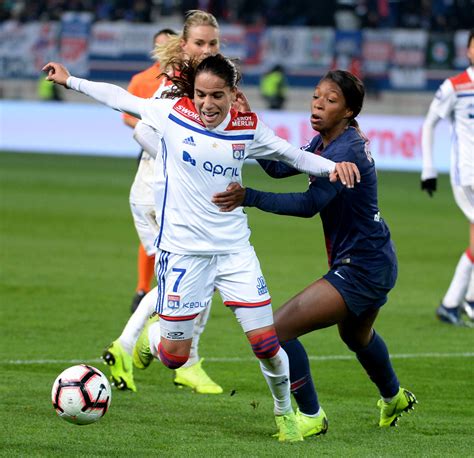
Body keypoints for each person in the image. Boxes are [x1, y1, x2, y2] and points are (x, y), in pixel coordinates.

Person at [42, 53, 359, 442]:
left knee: (266, 343)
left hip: (233, 252)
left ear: (233, 94)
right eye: (201, 95)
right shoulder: (173, 112)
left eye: (217, 96)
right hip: (183, 253)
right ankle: (153, 339)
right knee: (175, 356)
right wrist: (72, 80)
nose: (207, 104)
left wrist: (332, 167)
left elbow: (290, 155)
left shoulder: (248, 127)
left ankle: (285, 415)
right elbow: (121, 99)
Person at [212, 70, 417, 436]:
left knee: (277, 330)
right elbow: (277, 167)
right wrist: (248, 121)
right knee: (356, 337)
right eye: (317, 96)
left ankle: (311, 416)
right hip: (374, 259)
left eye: (331, 100)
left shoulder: (345, 151)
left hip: (361, 267)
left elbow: (310, 204)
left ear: (349, 111)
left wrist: (250, 197)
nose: (319, 104)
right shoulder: (327, 143)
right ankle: (394, 397)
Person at [104, 10, 223, 395]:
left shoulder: (201, 82)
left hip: (174, 197)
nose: (207, 49)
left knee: (200, 276)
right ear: (185, 45)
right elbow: (141, 129)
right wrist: (184, 162)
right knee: (196, 276)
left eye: (213, 43)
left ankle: (156, 352)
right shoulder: (176, 84)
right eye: (200, 43)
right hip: (160, 196)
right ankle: (153, 351)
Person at [421, 29, 474, 326]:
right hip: (467, 176)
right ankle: (459, 301)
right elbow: (429, 124)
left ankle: (458, 302)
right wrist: (429, 169)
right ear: (467, 51)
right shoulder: (455, 87)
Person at [124, 28, 177, 315]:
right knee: (154, 226)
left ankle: (163, 289)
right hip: (152, 153)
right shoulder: (142, 80)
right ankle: (144, 288)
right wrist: (154, 131)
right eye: (160, 46)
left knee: (171, 227)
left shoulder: (183, 80)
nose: (164, 50)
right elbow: (128, 118)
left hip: (177, 156)